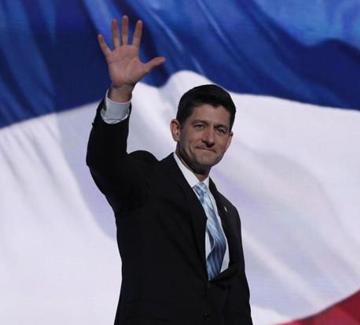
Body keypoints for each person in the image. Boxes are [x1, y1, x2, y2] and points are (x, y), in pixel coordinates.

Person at [86, 16, 252, 324]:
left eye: (220, 130)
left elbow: (236, 303)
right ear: (177, 129)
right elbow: (104, 162)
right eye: (200, 126)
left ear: (229, 141)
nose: (209, 138)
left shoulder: (228, 212)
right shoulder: (146, 179)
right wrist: (121, 93)